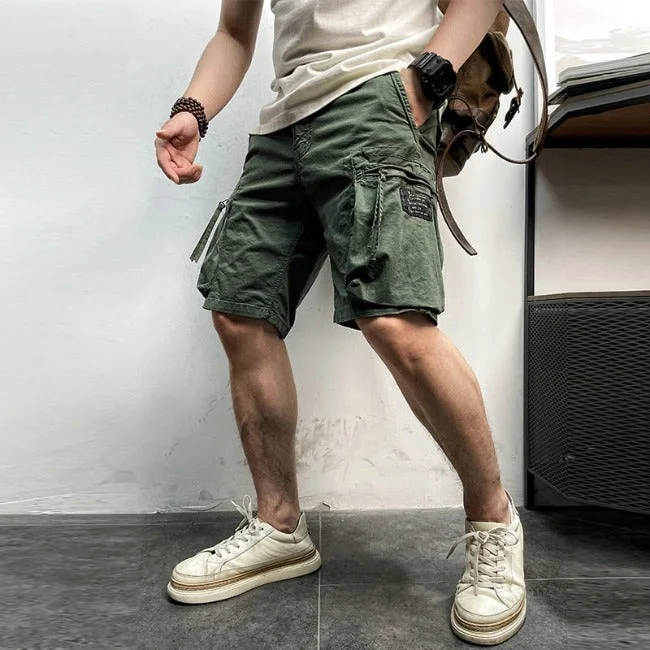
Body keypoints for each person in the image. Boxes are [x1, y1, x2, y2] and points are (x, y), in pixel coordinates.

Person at [154, 0, 525, 645]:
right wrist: (192, 110)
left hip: (377, 100)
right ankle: (280, 526)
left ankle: (494, 526)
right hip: (282, 126)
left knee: (395, 321)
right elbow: (234, 32)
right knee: (240, 312)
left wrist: (429, 75)